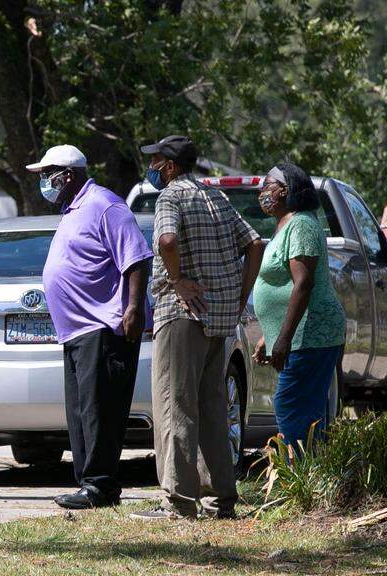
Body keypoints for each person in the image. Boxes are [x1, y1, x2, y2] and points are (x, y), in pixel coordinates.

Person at [137, 135, 263, 520]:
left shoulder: (171, 196)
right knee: (212, 409)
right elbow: (255, 245)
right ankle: (220, 499)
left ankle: (177, 501)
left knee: (175, 406)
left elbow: (168, 239)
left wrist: (175, 280)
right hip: (220, 318)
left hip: (183, 314)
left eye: (156, 161)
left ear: (171, 166)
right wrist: (239, 298)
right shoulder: (216, 197)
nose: (153, 167)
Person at [30, 144, 152, 510]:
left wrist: (133, 308)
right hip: (77, 331)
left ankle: (99, 485)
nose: (42, 182)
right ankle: (89, 484)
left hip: (104, 326)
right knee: (82, 410)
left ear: (67, 175)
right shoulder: (73, 209)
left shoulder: (104, 204)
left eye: (46, 174)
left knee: (101, 409)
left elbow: (136, 258)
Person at [251, 162, 345, 451]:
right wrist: (270, 334)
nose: (262, 191)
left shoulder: (302, 224)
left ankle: (301, 472)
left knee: (290, 402)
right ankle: (314, 477)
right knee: (306, 408)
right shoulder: (287, 225)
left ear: (286, 189)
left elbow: (303, 283)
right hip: (299, 336)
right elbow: (281, 287)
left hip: (312, 333)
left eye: (268, 185)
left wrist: (283, 338)